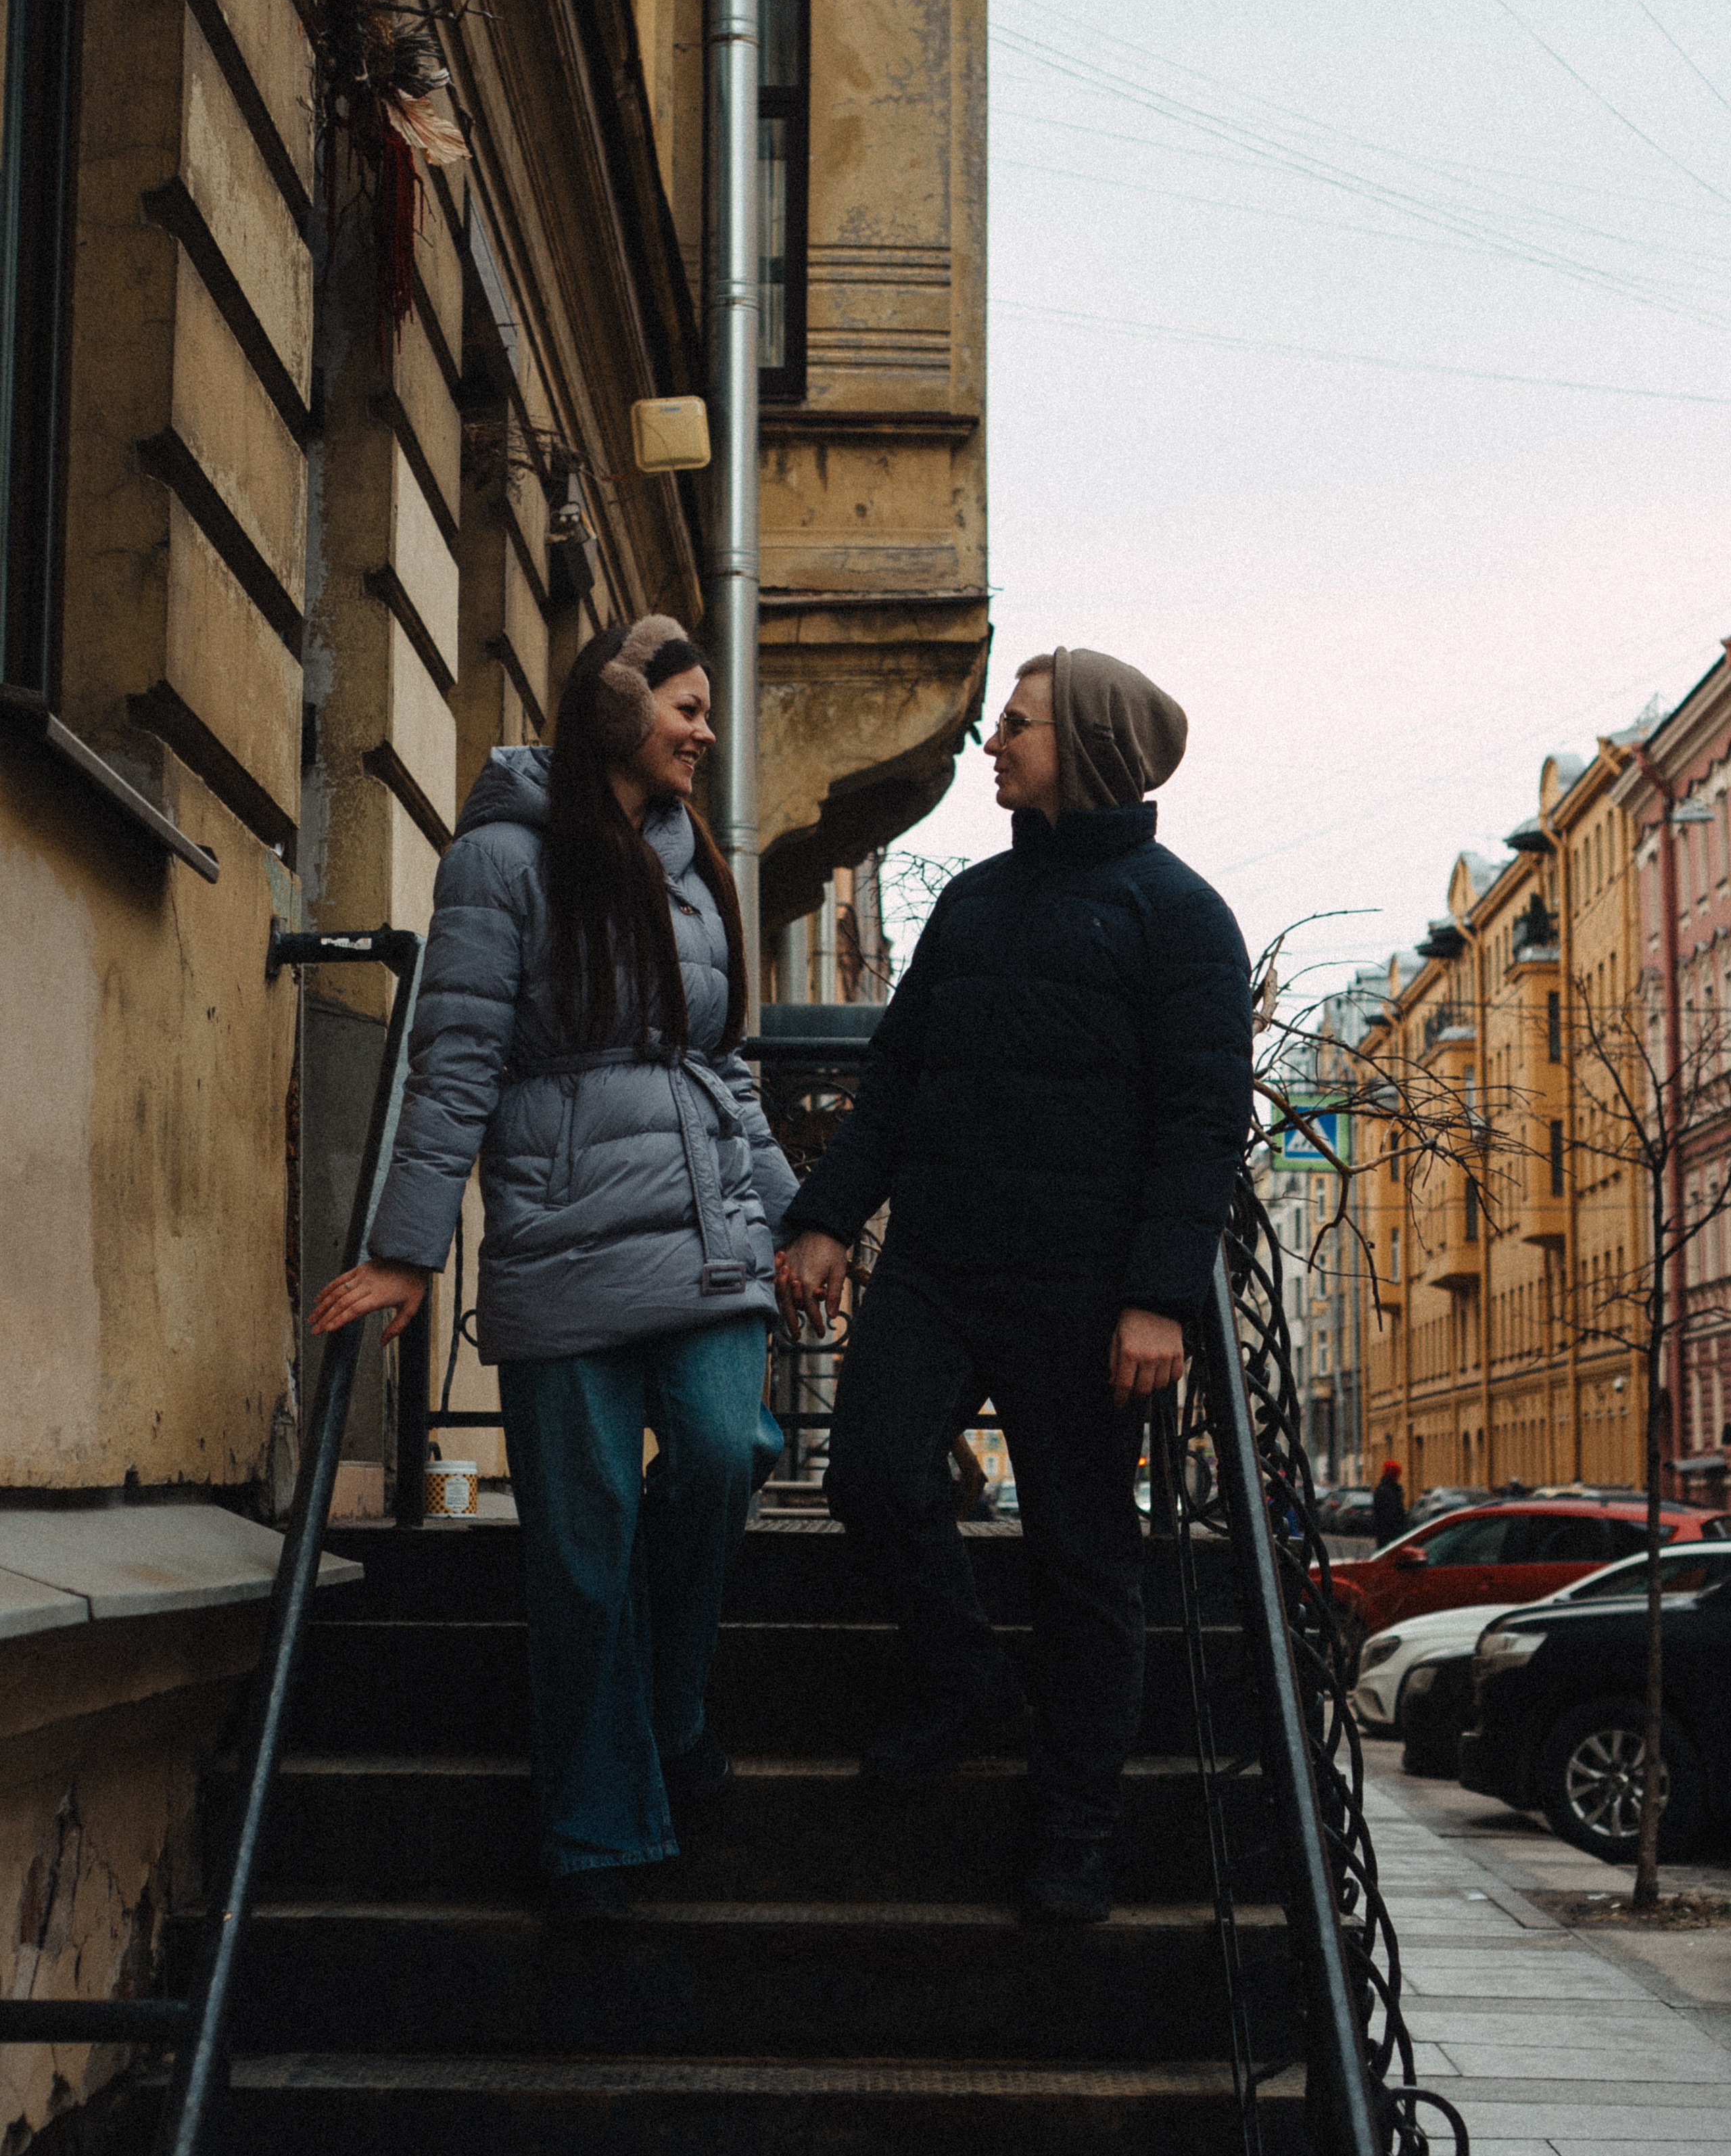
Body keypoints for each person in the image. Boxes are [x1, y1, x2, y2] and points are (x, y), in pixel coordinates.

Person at [309, 615, 797, 1927]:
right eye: (685, 708)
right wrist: (408, 1250)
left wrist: (797, 1220)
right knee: (583, 1553)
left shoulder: (694, 863)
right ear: (618, 709)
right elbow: (457, 1056)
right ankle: (596, 1835)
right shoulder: (500, 859)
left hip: (705, 1228)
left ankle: (672, 1714)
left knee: (725, 1450)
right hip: (562, 1236)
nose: (704, 732)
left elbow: (722, 1065)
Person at [778, 648, 1253, 1924]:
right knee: (871, 1475)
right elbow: (896, 1080)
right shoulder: (973, 904)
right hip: (938, 1267)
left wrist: (1160, 1298)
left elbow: (1205, 1122)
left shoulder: (1181, 915)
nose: (994, 745)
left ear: (1083, 745)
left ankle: (1075, 1830)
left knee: (1084, 1562)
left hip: (1086, 1293)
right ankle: (970, 1685)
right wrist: (826, 1217)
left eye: (1018, 727)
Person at [1373, 1460, 1406, 1547]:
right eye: (1396, 1473)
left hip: (1386, 1535)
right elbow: (1392, 1515)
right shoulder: (1388, 1491)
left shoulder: (1384, 1489)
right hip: (1390, 1536)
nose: (1398, 1476)